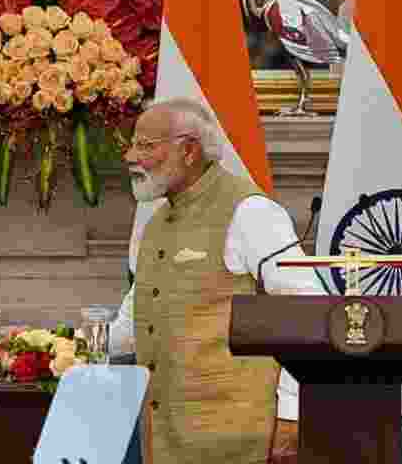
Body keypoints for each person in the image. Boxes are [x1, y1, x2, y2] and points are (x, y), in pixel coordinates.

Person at [108, 97, 325, 464]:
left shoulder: (249, 211)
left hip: (236, 439)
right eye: (133, 143)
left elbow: (306, 311)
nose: (131, 156)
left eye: (145, 145)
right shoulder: (155, 221)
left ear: (189, 150)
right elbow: (134, 322)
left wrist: (292, 415)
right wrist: (56, 350)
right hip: (164, 437)